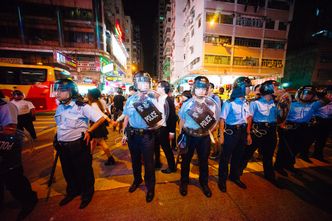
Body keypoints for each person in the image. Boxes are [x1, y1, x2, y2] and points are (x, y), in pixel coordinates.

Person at [53, 79, 106, 209]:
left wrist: (90, 131)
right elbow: (60, 124)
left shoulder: (82, 106)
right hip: (62, 145)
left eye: (61, 90)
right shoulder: (60, 106)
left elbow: (101, 118)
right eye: (57, 90)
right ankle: (72, 191)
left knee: (84, 171)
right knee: (68, 171)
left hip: (78, 145)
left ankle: (87, 193)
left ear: (71, 91)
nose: (57, 93)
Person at [122, 72, 163, 203]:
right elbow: (126, 117)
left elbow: (160, 118)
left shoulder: (153, 99)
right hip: (132, 134)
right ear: (136, 84)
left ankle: (150, 187)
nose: (144, 85)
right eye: (141, 82)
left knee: (149, 163)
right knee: (134, 160)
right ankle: (137, 179)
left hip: (147, 136)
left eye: (146, 82)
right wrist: (124, 133)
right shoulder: (130, 99)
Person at [178, 76, 220, 198]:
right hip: (189, 135)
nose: (201, 91)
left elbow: (215, 121)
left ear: (207, 90)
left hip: (204, 137)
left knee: (203, 161)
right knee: (186, 161)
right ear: (194, 89)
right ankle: (184, 182)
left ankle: (204, 183)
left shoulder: (211, 104)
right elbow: (181, 120)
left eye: (204, 88)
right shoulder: (187, 104)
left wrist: (210, 130)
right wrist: (181, 135)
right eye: (199, 88)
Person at [274, 85, 329, 176]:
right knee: (284, 148)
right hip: (289, 128)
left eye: (310, 94)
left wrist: (319, 94)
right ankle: (278, 166)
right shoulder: (291, 103)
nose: (307, 95)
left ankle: (289, 165)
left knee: (297, 148)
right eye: (305, 93)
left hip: (304, 128)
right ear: (299, 93)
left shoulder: (313, 105)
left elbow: (326, 100)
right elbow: (280, 114)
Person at [0, 91, 38, 220]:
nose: (16, 96)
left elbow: (10, 129)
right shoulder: (10, 104)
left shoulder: (6, 106)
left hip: (8, 148)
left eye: (18, 94)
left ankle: (29, 200)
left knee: (14, 177)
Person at [240, 80, 280, 186]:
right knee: (247, 153)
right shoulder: (255, 103)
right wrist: (248, 134)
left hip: (271, 131)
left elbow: (281, 117)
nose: (279, 90)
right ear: (269, 90)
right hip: (257, 131)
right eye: (276, 88)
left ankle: (269, 175)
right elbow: (249, 119)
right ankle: (237, 173)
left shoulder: (276, 103)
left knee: (268, 155)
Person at [218, 77, 252, 193]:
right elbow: (222, 119)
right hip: (231, 132)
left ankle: (234, 177)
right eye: (248, 87)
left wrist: (248, 134)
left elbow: (246, 119)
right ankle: (222, 180)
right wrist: (221, 135)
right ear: (241, 88)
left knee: (238, 156)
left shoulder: (247, 102)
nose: (249, 89)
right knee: (225, 157)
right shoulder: (229, 103)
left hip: (242, 132)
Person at [87, 88, 116, 166]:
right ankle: (90, 155)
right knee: (93, 141)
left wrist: (110, 121)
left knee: (102, 143)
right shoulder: (98, 102)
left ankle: (110, 158)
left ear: (91, 96)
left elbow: (101, 115)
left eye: (88, 94)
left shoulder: (94, 104)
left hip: (97, 125)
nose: (87, 95)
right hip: (98, 124)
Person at [154, 80, 177, 173]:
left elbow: (172, 117)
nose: (156, 88)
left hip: (164, 128)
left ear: (163, 88)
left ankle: (172, 167)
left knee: (166, 148)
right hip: (158, 127)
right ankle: (157, 163)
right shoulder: (159, 98)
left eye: (158, 86)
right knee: (156, 146)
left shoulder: (168, 100)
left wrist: (172, 131)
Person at [311, 86, 332, 161]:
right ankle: (303, 153)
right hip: (317, 121)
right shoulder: (319, 102)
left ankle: (318, 154)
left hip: (327, 122)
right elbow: (311, 110)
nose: (330, 96)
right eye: (329, 94)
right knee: (310, 139)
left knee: (322, 140)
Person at [208, 83, 222, 160]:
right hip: (207, 120)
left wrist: (216, 123)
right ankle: (212, 151)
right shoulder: (206, 97)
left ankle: (216, 153)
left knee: (214, 138)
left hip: (214, 121)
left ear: (212, 89)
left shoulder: (215, 97)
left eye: (208, 87)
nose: (207, 89)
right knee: (209, 137)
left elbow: (218, 110)